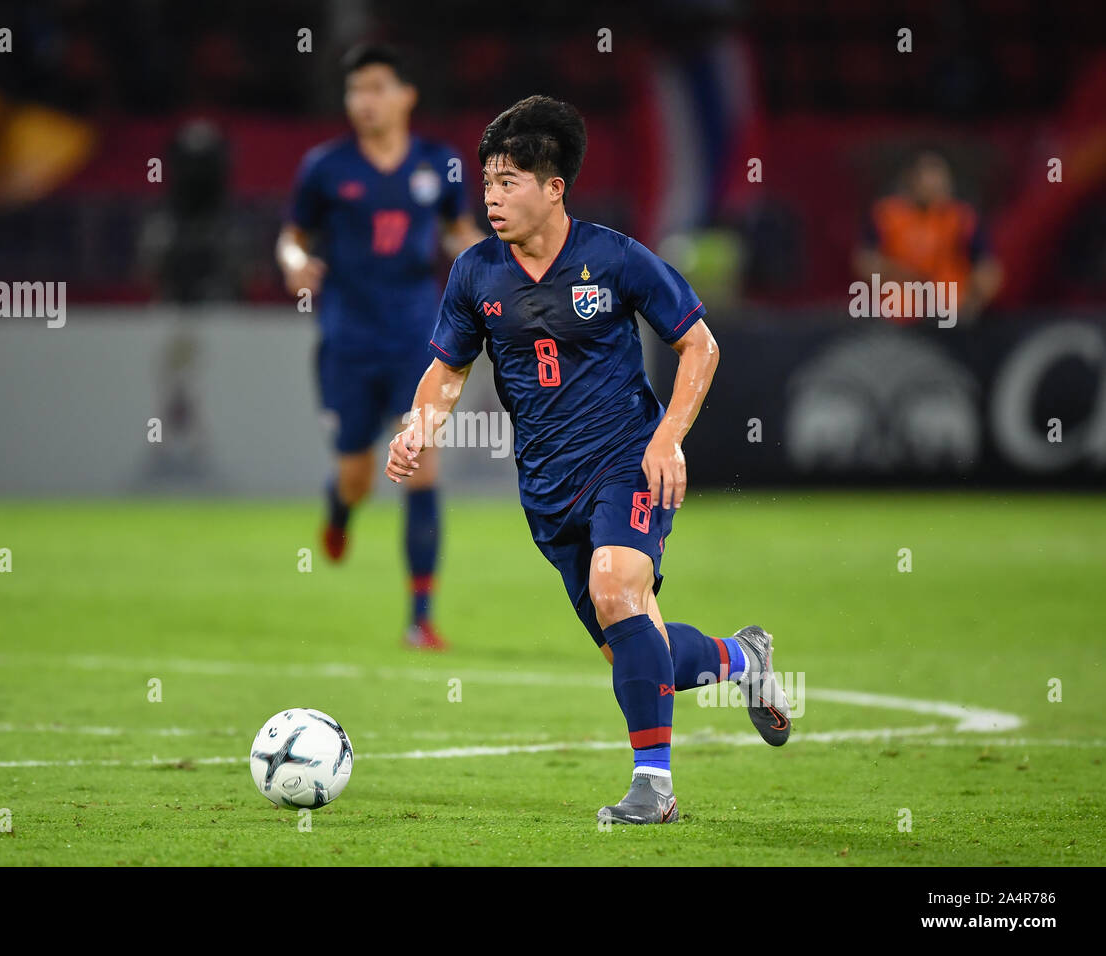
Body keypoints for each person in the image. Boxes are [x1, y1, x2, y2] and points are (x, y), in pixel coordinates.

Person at [386, 95, 792, 824]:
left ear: (553, 188)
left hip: (627, 462)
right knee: (643, 653)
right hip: (546, 489)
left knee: (616, 589)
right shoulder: (476, 274)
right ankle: (742, 660)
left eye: (509, 182)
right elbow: (447, 372)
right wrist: (417, 428)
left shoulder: (614, 258)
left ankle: (653, 788)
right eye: (487, 182)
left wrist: (666, 437)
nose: (492, 197)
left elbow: (699, 343)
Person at [276, 44, 483, 650]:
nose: (363, 101)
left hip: (421, 338)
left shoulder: (439, 164)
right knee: (358, 476)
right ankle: (339, 510)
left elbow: (457, 229)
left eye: (375, 88)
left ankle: (420, 618)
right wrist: (293, 262)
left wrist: (489, 260)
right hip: (347, 339)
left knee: (419, 465)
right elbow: (293, 235)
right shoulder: (325, 167)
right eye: (354, 91)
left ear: (405, 95)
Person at [854, 151, 1002, 323]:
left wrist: (972, 305)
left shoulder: (960, 219)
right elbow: (865, 261)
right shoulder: (888, 215)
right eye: (928, 177)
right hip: (897, 314)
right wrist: (906, 276)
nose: (934, 185)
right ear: (911, 179)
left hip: (948, 314)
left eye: (939, 178)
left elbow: (988, 269)